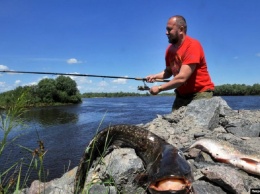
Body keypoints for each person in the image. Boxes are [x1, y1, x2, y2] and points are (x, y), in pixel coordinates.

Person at [146, 15, 214, 111]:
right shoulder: (169, 50)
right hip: (181, 95)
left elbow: (182, 78)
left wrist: (160, 88)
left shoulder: (193, 45)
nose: (166, 33)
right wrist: (155, 76)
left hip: (201, 93)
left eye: (169, 29)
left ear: (181, 29)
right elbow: (168, 72)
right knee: (174, 123)